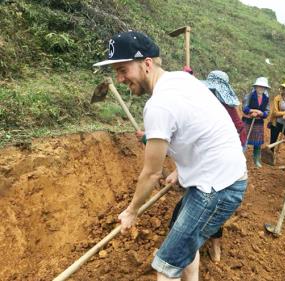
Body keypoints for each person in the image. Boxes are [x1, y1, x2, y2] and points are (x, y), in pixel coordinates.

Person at [93, 31, 248, 281]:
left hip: (216, 189)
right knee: (184, 244)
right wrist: (181, 170)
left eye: (123, 70)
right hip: (220, 177)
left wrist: (132, 211)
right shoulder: (180, 80)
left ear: (147, 64)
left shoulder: (159, 104)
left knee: (166, 265)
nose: (120, 79)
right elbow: (197, 129)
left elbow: (152, 172)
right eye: (117, 72)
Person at [201, 70, 246, 262]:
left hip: (223, 160)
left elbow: (238, 133)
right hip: (212, 159)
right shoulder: (205, 105)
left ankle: (214, 243)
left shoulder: (225, 108)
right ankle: (206, 239)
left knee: (213, 200)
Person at [242, 77, 270, 167]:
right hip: (248, 121)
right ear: (256, 87)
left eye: (263, 87)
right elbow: (244, 108)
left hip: (258, 122)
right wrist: (251, 111)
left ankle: (256, 159)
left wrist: (261, 113)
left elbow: (267, 111)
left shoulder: (266, 98)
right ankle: (240, 157)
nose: (261, 88)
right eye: (259, 86)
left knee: (258, 142)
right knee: (243, 139)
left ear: (265, 88)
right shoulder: (249, 95)